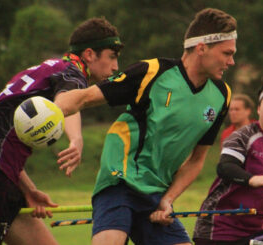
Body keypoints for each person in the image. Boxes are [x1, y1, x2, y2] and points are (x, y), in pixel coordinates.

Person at [54, 8, 236, 245]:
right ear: (202, 48)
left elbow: (196, 160)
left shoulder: (222, 95)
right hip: (120, 181)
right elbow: (83, 98)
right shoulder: (153, 72)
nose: (232, 61)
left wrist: (168, 199)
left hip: (156, 193)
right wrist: (45, 111)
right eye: (227, 53)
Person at [0, 17, 123, 245]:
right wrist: (76, 139)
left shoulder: (51, 69)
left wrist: (29, 190)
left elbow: (1, 145)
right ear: (90, 54)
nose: (115, 67)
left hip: (2, 178)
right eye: (112, 57)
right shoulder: (71, 73)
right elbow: (67, 102)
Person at [193, 74, 263, 245]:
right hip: (218, 229)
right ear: (258, 108)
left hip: (253, 232)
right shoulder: (242, 136)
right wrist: (252, 179)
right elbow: (225, 168)